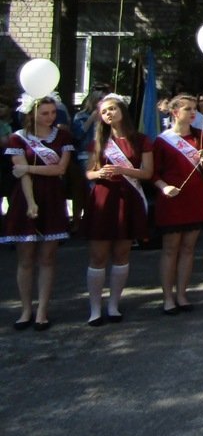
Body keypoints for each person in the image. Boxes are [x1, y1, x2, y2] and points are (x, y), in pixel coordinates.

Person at [3, 94, 73, 331]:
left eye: (53, 112)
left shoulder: (62, 136)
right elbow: (21, 173)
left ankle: (42, 310)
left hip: (53, 197)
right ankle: (26, 310)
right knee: (25, 259)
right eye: (44, 113)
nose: (50, 117)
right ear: (32, 114)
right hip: (25, 198)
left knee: (48, 258)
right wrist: (31, 202)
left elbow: (60, 169)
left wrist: (28, 167)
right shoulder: (18, 138)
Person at [82, 94, 153, 325]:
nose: (108, 114)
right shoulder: (99, 141)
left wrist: (123, 171)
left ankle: (113, 305)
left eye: (112, 109)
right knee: (98, 256)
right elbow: (89, 172)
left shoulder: (140, 140)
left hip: (128, 199)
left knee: (122, 254)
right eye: (104, 112)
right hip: (103, 200)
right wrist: (98, 173)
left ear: (122, 110)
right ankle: (95, 308)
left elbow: (147, 173)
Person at [152, 94, 203, 314]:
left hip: (195, 198)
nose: (193, 113)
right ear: (175, 112)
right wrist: (163, 187)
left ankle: (182, 294)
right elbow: (153, 173)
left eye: (194, 109)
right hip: (172, 199)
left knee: (188, 249)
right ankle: (167, 298)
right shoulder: (162, 141)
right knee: (170, 249)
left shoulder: (201, 136)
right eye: (188, 109)